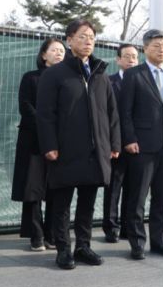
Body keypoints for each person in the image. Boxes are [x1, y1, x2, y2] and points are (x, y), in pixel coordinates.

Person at [36, 20, 121, 270]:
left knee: (87, 201)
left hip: (96, 150)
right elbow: (45, 114)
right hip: (64, 149)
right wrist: (49, 144)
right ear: (69, 40)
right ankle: (63, 249)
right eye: (82, 36)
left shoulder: (100, 74)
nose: (88, 41)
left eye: (92, 37)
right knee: (61, 202)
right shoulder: (54, 74)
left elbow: (111, 112)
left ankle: (83, 246)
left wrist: (113, 143)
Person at [119, 29, 163, 260]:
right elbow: (124, 112)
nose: (162, 49)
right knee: (137, 198)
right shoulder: (134, 75)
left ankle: (159, 242)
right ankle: (137, 243)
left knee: (162, 198)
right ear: (145, 48)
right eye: (157, 45)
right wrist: (129, 139)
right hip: (142, 147)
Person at [11, 38, 65, 251]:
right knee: (32, 190)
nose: (59, 53)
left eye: (62, 50)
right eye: (54, 50)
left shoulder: (68, 80)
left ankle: (52, 234)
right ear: (44, 55)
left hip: (60, 143)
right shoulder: (31, 78)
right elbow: (26, 107)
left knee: (56, 189)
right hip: (33, 141)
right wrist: (46, 128)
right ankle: (36, 235)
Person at [102, 43, 139, 243]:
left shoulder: (144, 82)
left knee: (133, 189)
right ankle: (111, 228)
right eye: (127, 56)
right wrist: (113, 143)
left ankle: (127, 227)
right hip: (116, 145)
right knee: (113, 188)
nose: (131, 59)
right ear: (118, 59)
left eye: (134, 56)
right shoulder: (109, 82)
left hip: (138, 146)